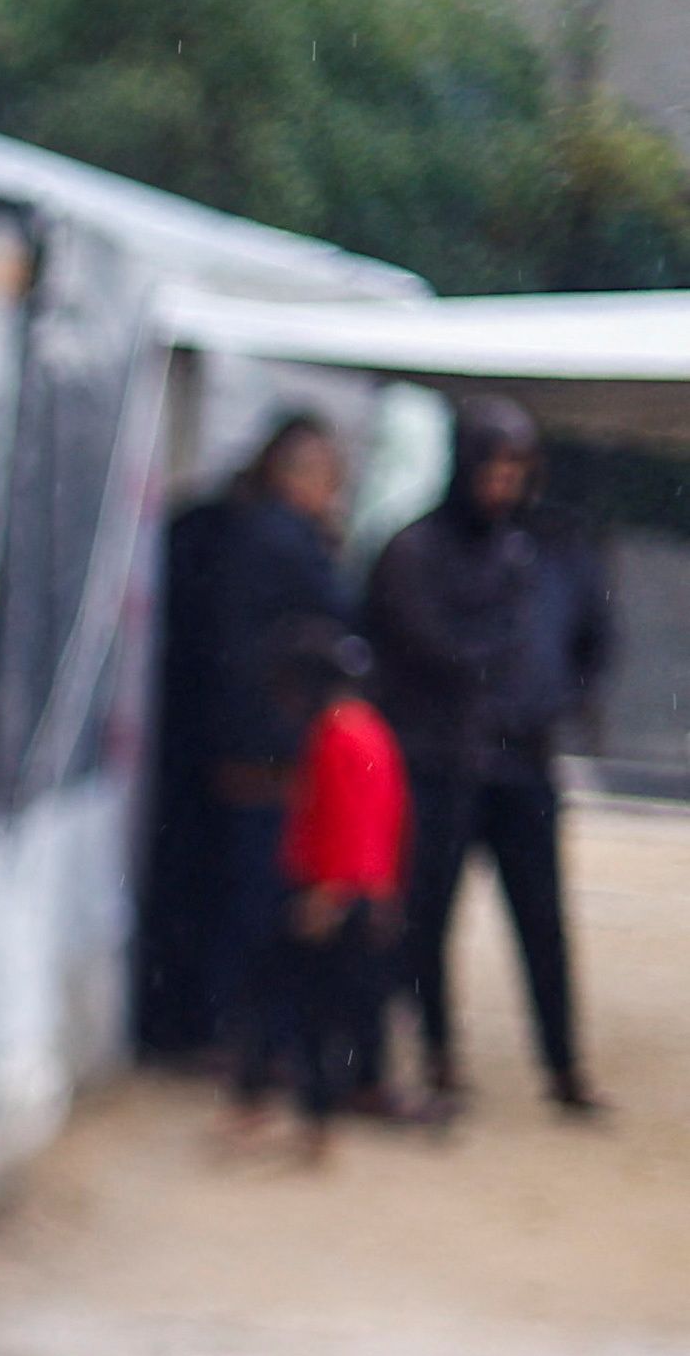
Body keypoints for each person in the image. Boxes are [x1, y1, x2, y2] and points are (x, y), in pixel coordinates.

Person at [366, 392, 618, 1117]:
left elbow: (587, 641)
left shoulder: (546, 548)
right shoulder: (416, 550)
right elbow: (430, 647)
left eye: (517, 465)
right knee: (428, 917)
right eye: (493, 462)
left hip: (522, 761)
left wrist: (552, 700)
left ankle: (564, 1065)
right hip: (441, 761)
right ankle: (439, 1052)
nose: (503, 480)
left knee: (541, 918)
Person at [145, 414, 353, 1070]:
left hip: (238, 743)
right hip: (262, 752)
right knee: (255, 899)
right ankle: (240, 1035)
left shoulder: (239, 531)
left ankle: (224, 1028)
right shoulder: (278, 541)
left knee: (239, 894)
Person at [238, 622, 410, 1159]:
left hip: (331, 895)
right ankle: (296, 1113)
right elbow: (389, 818)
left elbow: (351, 821)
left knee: (305, 1011)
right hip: (357, 890)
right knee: (332, 1009)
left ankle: (303, 1118)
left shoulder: (340, 736)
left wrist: (329, 895)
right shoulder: (367, 729)